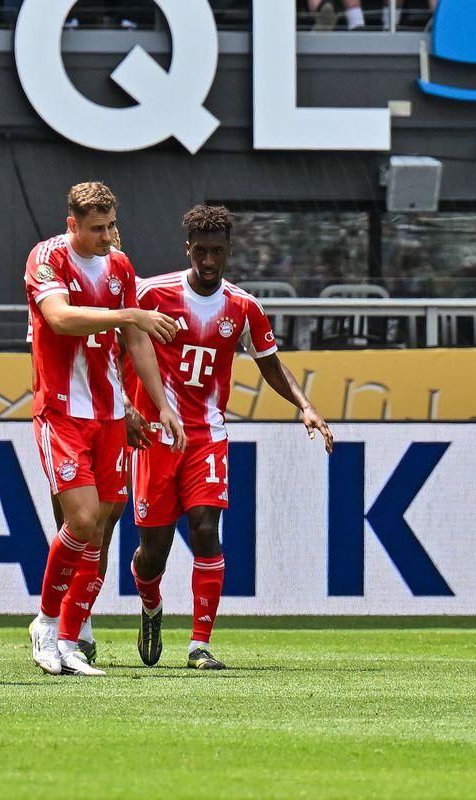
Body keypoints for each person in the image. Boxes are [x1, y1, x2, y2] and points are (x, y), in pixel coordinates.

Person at [129, 205, 334, 670]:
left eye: (215, 251)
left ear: (228, 252)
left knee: (205, 528)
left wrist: (304, 404)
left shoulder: (242, 307)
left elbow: (270, 363)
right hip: (156, 436)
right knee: (151, 554)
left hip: (207, 436)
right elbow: (117, 335)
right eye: (199, 251)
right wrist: (124, 405)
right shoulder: (152, 294)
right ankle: (151, 606)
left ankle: (200, 644)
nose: (207, 260)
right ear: (188, 250)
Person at [24, 180, 186, 678]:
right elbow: (59, 318)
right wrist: (128, 312)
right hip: (61, 411)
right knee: (82, 520)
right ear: (72, 223)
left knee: (101, 532)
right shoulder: (46, 258)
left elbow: (135, 340)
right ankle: (46, 627)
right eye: (97, 227)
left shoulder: (118, 264)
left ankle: (71, 639)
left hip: (111, 415)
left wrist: (162, 405)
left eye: (112, 224)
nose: (108, 236)